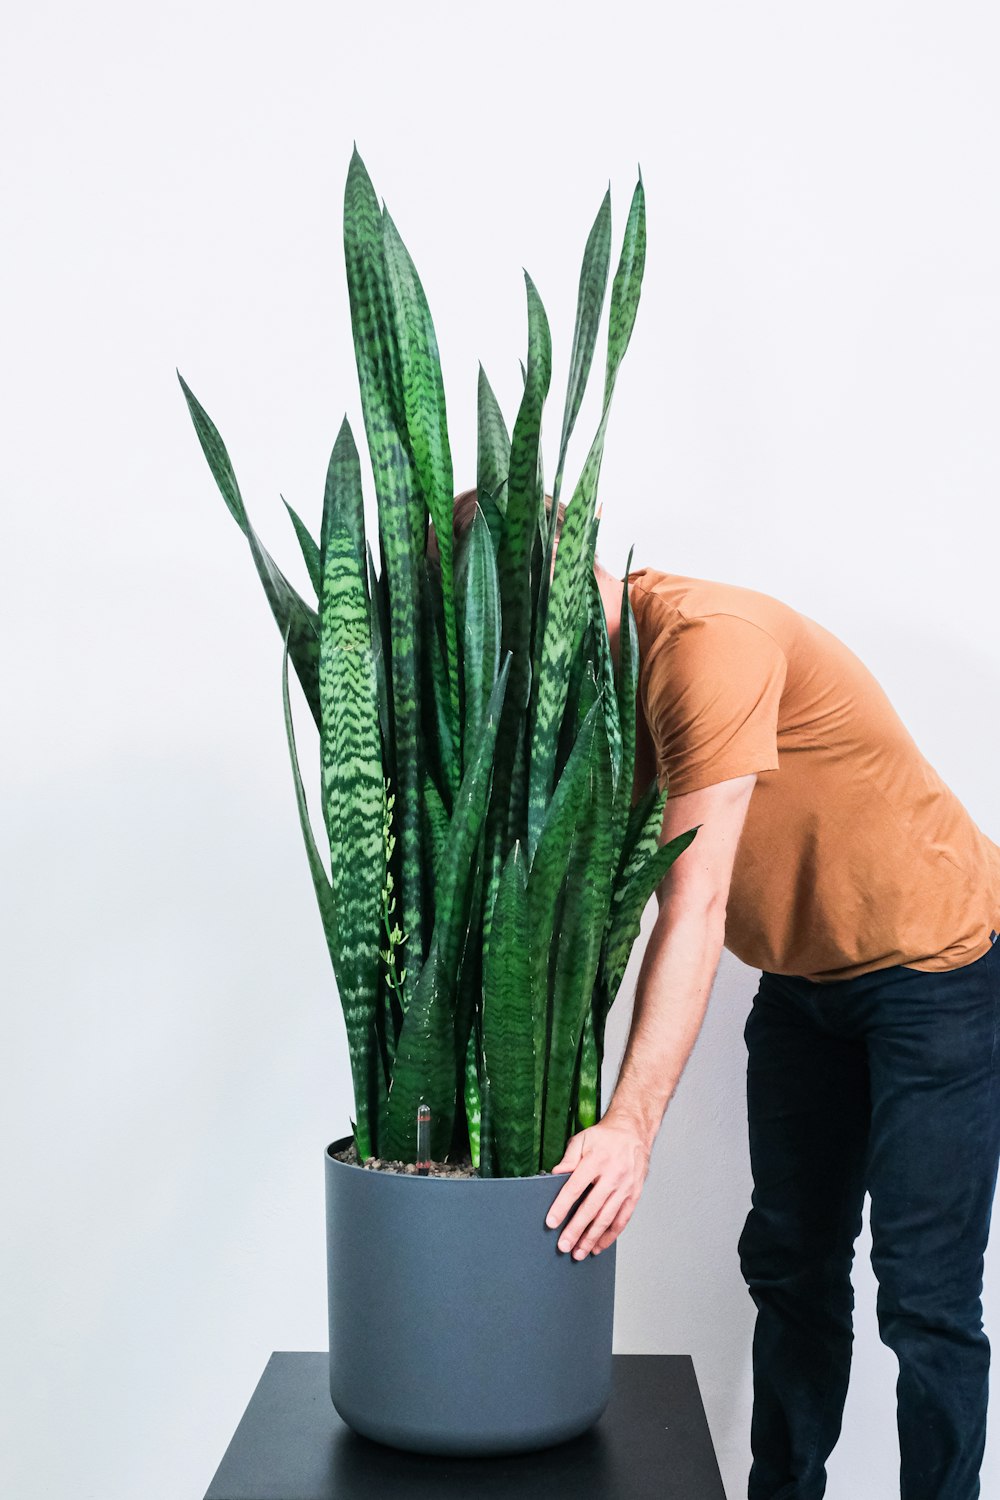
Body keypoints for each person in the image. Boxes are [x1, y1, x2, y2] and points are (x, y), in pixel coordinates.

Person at [443, 487, 1000, 1500]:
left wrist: (628, 1126)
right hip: (800, 983)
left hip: (938, 968)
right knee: (790, 1268)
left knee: (922, 1296)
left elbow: (690, 905)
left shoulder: (707, 646)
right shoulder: (566, 703)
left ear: (569, 575)